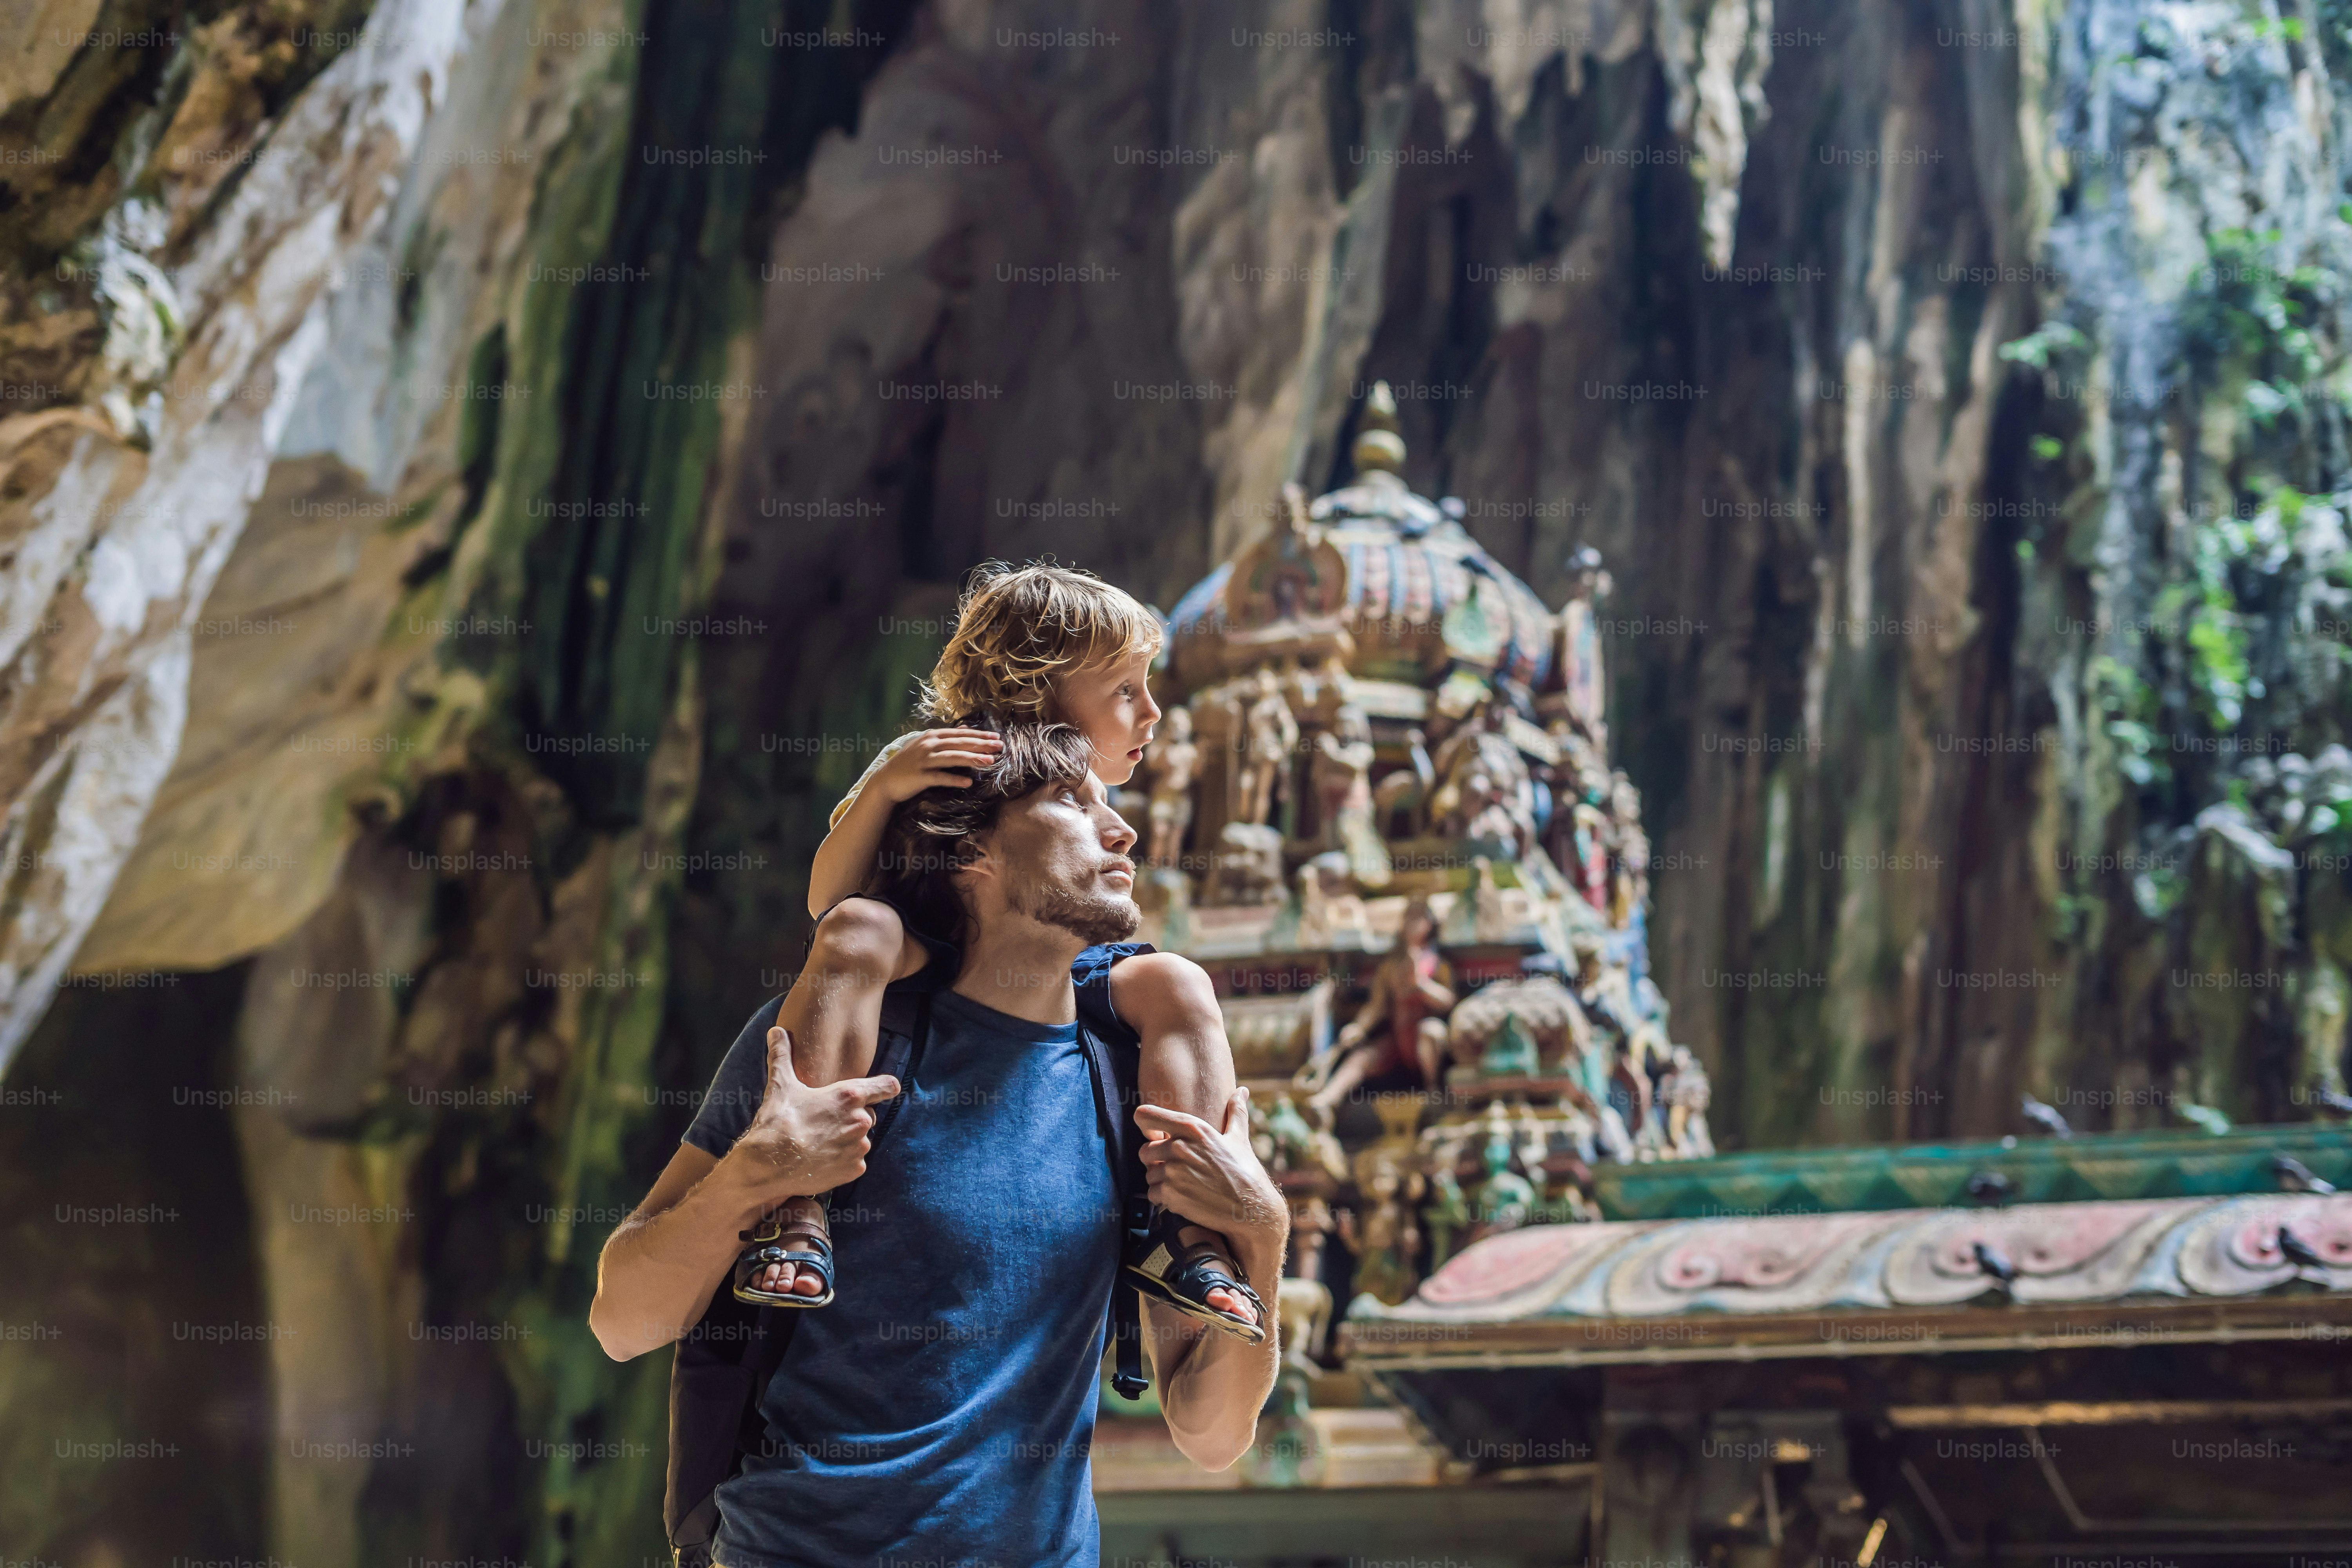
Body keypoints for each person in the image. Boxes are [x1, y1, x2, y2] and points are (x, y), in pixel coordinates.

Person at [588, 724, 1286, 1566]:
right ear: (971, 853)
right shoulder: (831, 1042)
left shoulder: (1134, 1084)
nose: (1121, 829)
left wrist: (1264, 1232)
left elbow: (1212, 1435)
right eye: (1071, 799)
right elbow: (622, 1318)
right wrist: (753, 1176)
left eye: (1113, 801)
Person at [742, 561, 1261, 1337]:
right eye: (1126, 690)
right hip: (939, 945)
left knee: (1179, 984)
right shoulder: (949, 759)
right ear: (1038, 684)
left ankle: (1188, 1223)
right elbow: (828, 900)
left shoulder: (1096, 795)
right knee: (861, 928)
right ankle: (798, 1191)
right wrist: (884, 785)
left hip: (1064, 969)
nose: (1152, 712)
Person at [1303, 895, 1457, 1124]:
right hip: (1398, 1040)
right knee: (1363, 1057)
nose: (1413, 924)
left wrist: (1422, 986)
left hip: (1426, 1037)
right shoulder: (1390, 967)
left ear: (1430, 925)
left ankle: (1433, 1093)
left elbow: (1449, 1001)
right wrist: (1359, 1027)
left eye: (1420, 918)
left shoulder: (1438, 964)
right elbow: (1377, 1006)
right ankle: (1329, 1098)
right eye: (1409, 918)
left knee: (1431, 1032)